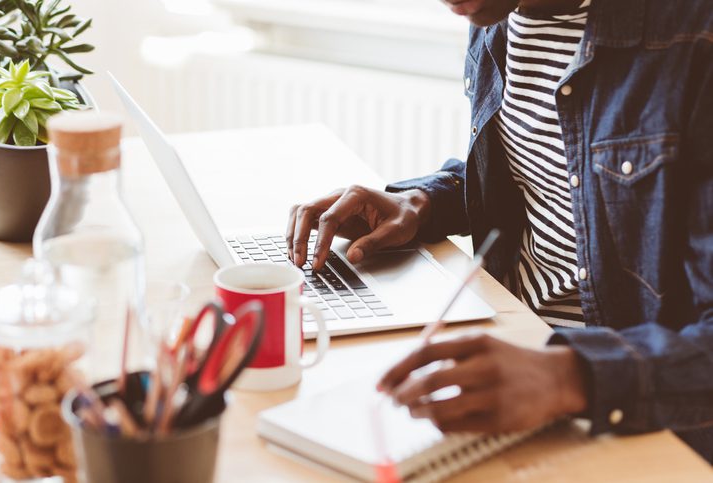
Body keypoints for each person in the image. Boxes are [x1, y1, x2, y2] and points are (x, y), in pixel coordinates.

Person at [286, 0, 713, 462]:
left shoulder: (695, 36)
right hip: (509, 343)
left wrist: (568, 376)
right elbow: (549, 178)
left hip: (628, 414)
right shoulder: (494, 15)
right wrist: (423, 202)